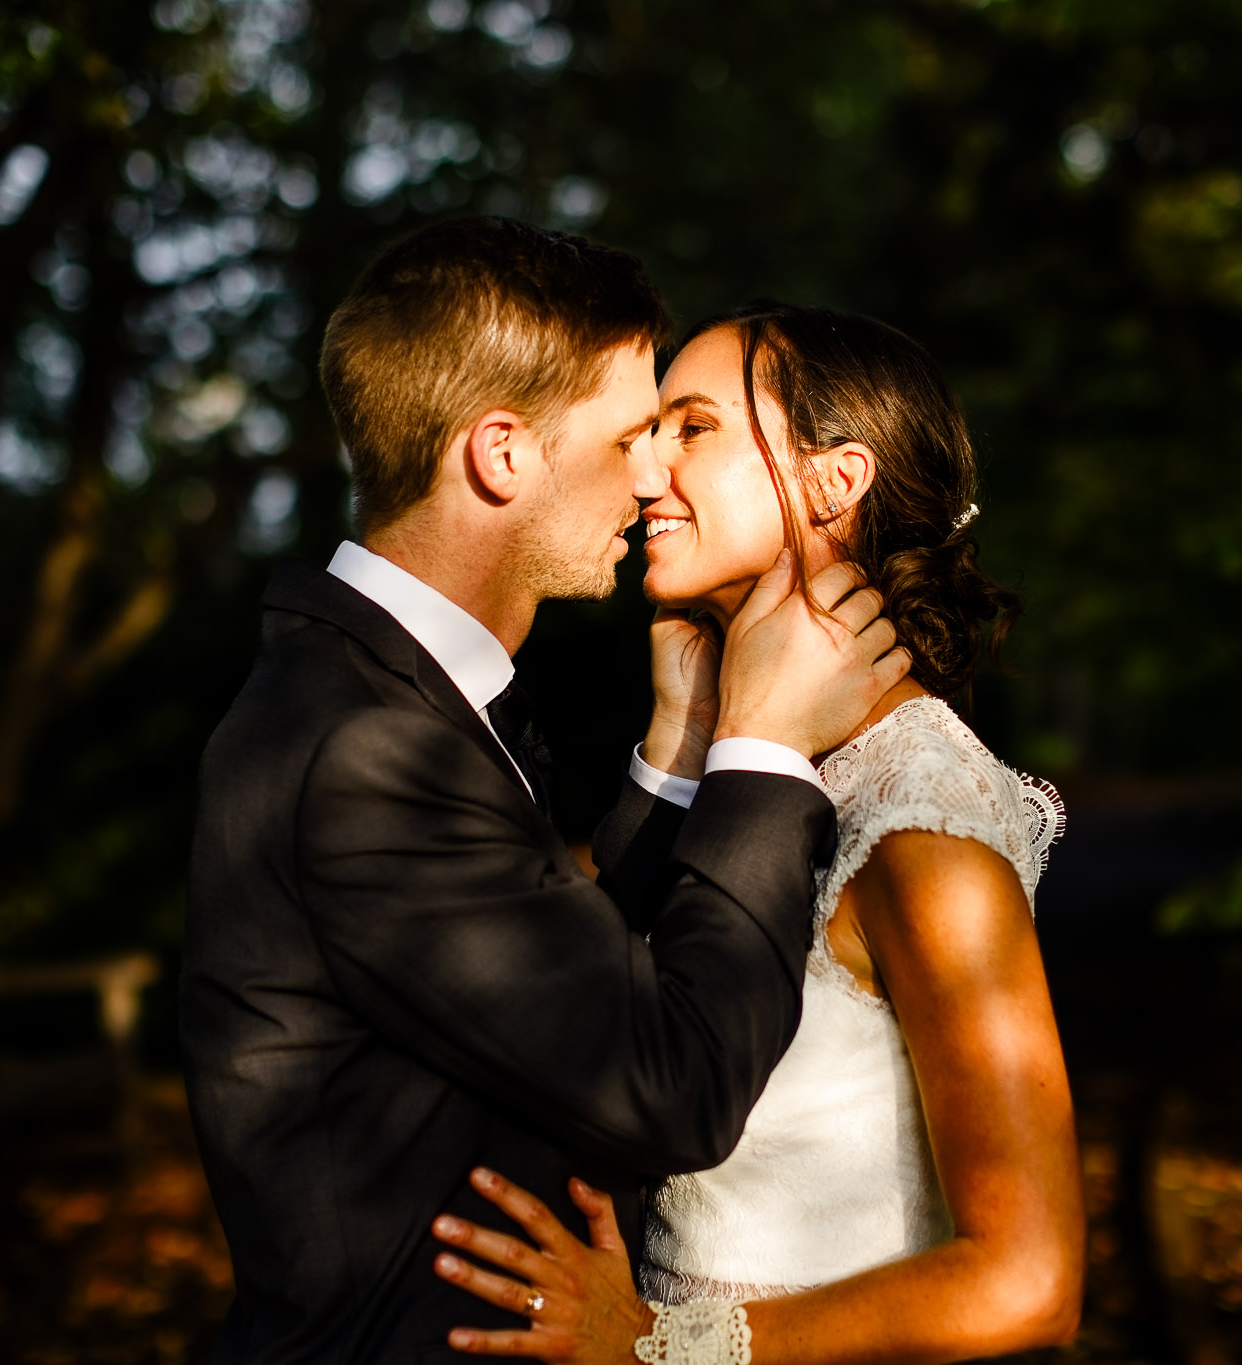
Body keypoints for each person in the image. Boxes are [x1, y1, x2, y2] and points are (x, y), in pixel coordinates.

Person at [181, 229, 911, 1365]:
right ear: (501, 455)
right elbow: (669, 1087)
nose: (650, 474)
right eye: (628, 436)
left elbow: (563, 998)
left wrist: (678, 747)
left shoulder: (392, 695)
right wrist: (762, 748)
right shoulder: (366, 751)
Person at [428, 303, 1088, 1364]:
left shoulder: (920, 818)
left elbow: (1028, 1279)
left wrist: (655, 1346)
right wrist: (687, 741)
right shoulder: (750, 766)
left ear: (834, 483)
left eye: (691, 429)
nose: (644, 472)